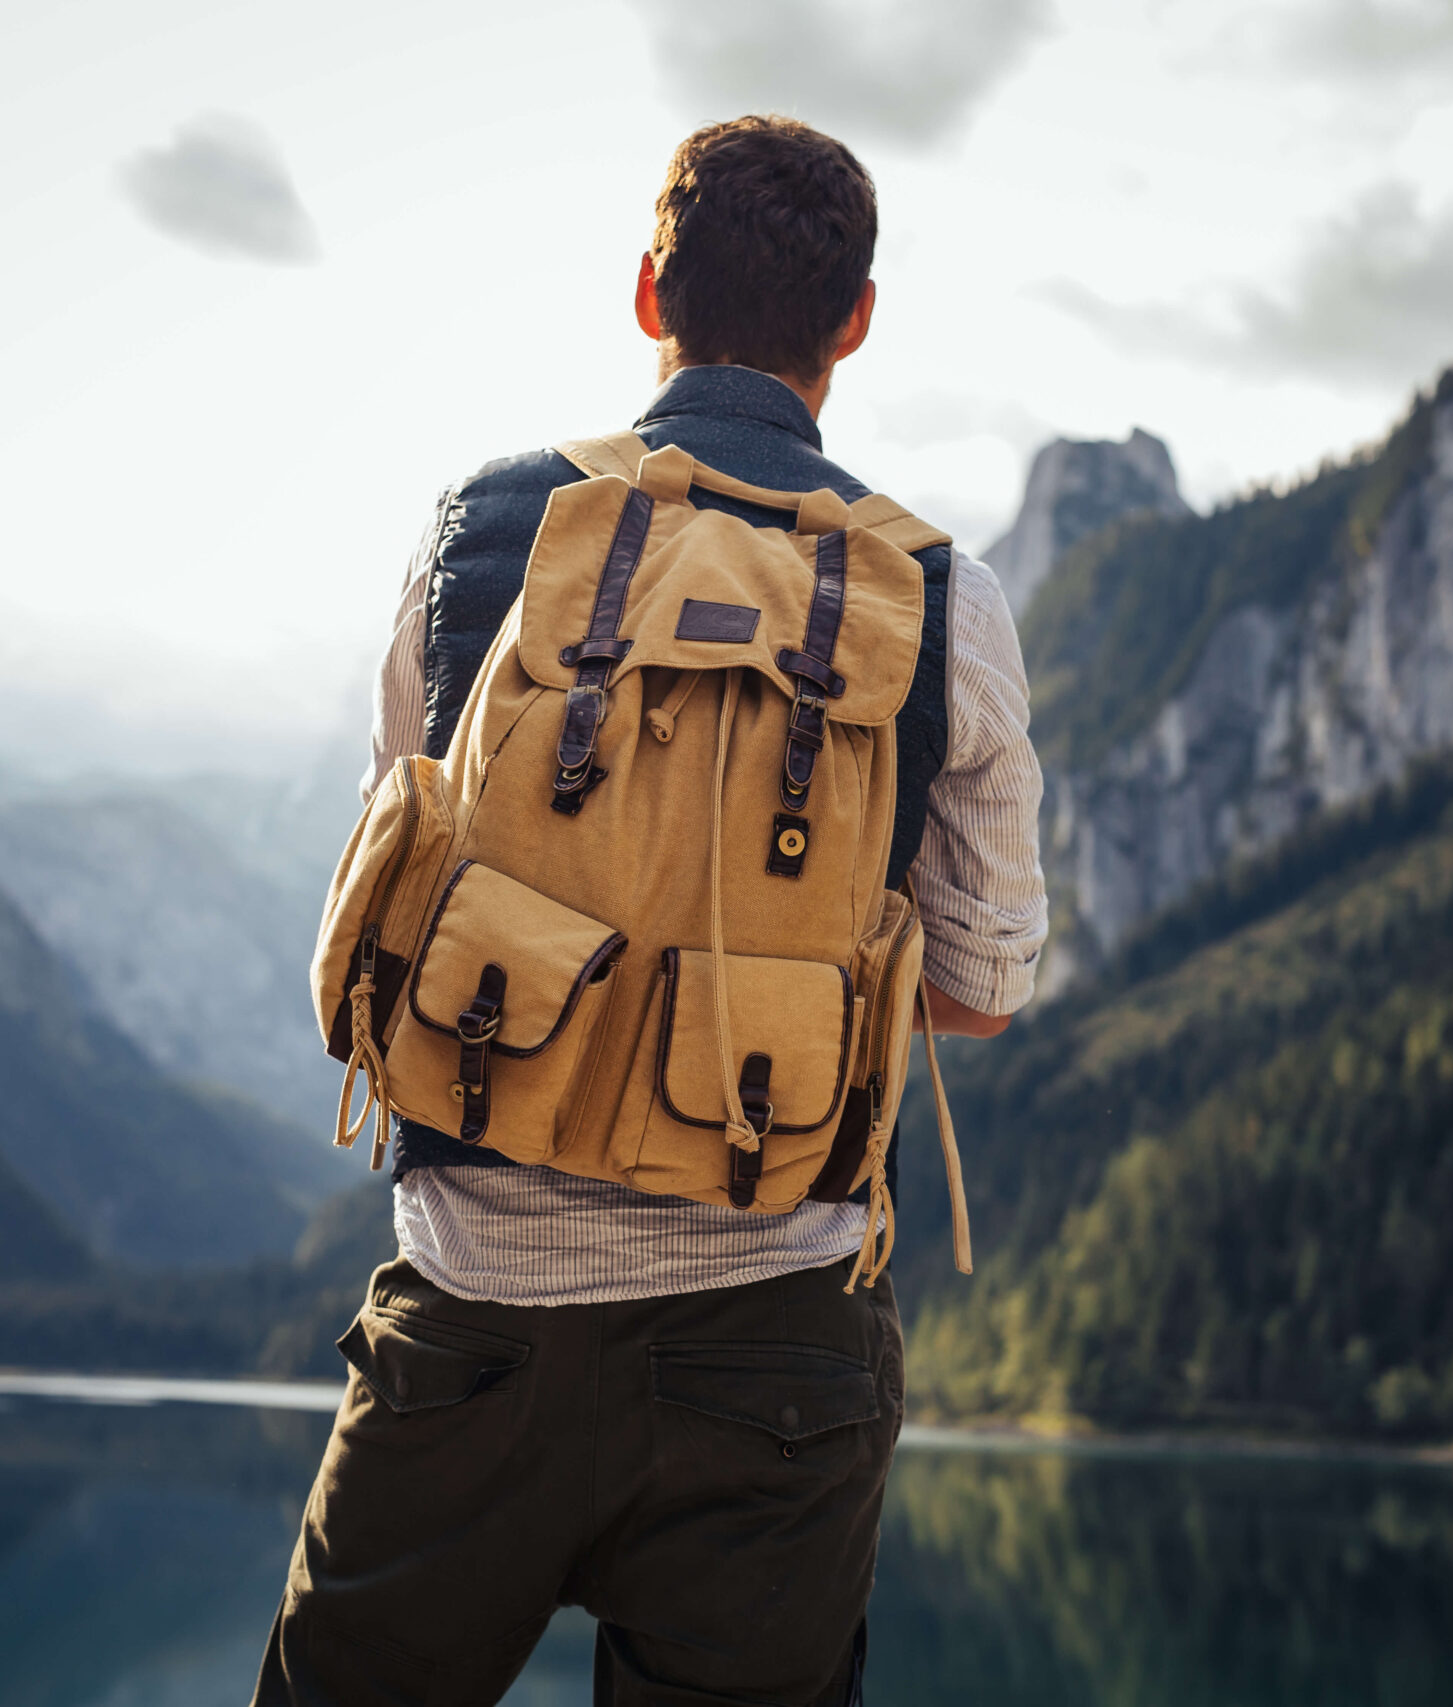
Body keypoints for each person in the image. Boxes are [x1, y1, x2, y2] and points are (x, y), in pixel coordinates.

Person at [254, 114, 1047, 1707]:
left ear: (648, 294)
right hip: (778, 1364)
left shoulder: (480, 535)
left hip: (471, 1335)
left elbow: (398, 881)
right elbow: (980, 985)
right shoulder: (941, 602)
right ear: (856, 324)